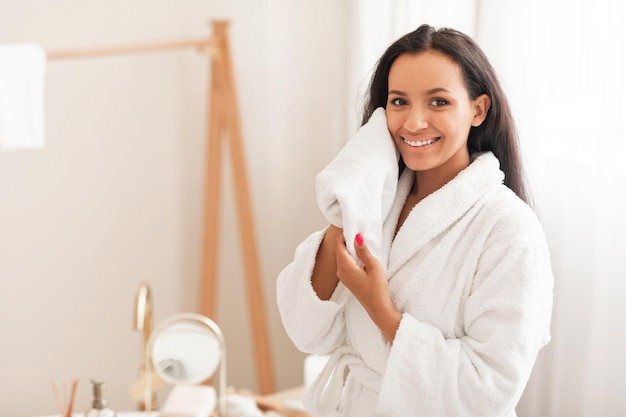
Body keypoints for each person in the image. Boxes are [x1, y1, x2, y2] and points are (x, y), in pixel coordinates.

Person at [276, 23, 553, 417]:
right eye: (399, 102)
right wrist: (354, 192)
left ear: (478, 109)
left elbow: (487, 390)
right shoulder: (379, 203)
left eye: (438, 102)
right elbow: (306, 330)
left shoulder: (509, 230)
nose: (413, 122)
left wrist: (381, 309)